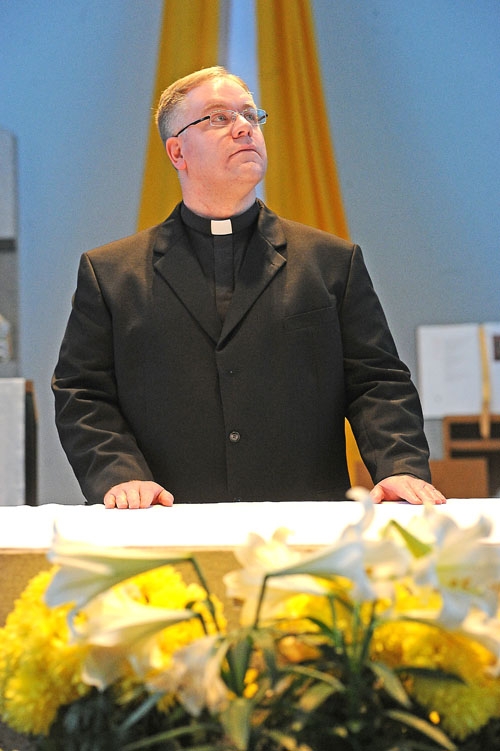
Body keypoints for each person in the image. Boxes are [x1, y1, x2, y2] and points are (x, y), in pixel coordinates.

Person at [52, 65, 445, 509]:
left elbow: (377, 381)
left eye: (250, 115)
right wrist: (118, 474)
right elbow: (82, 391)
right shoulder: (111, 274)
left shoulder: (331, 262)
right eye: (219, 118)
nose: (243, 128)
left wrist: (399, 467)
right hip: (164, 522)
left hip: (305, 525)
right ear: (177, 152)